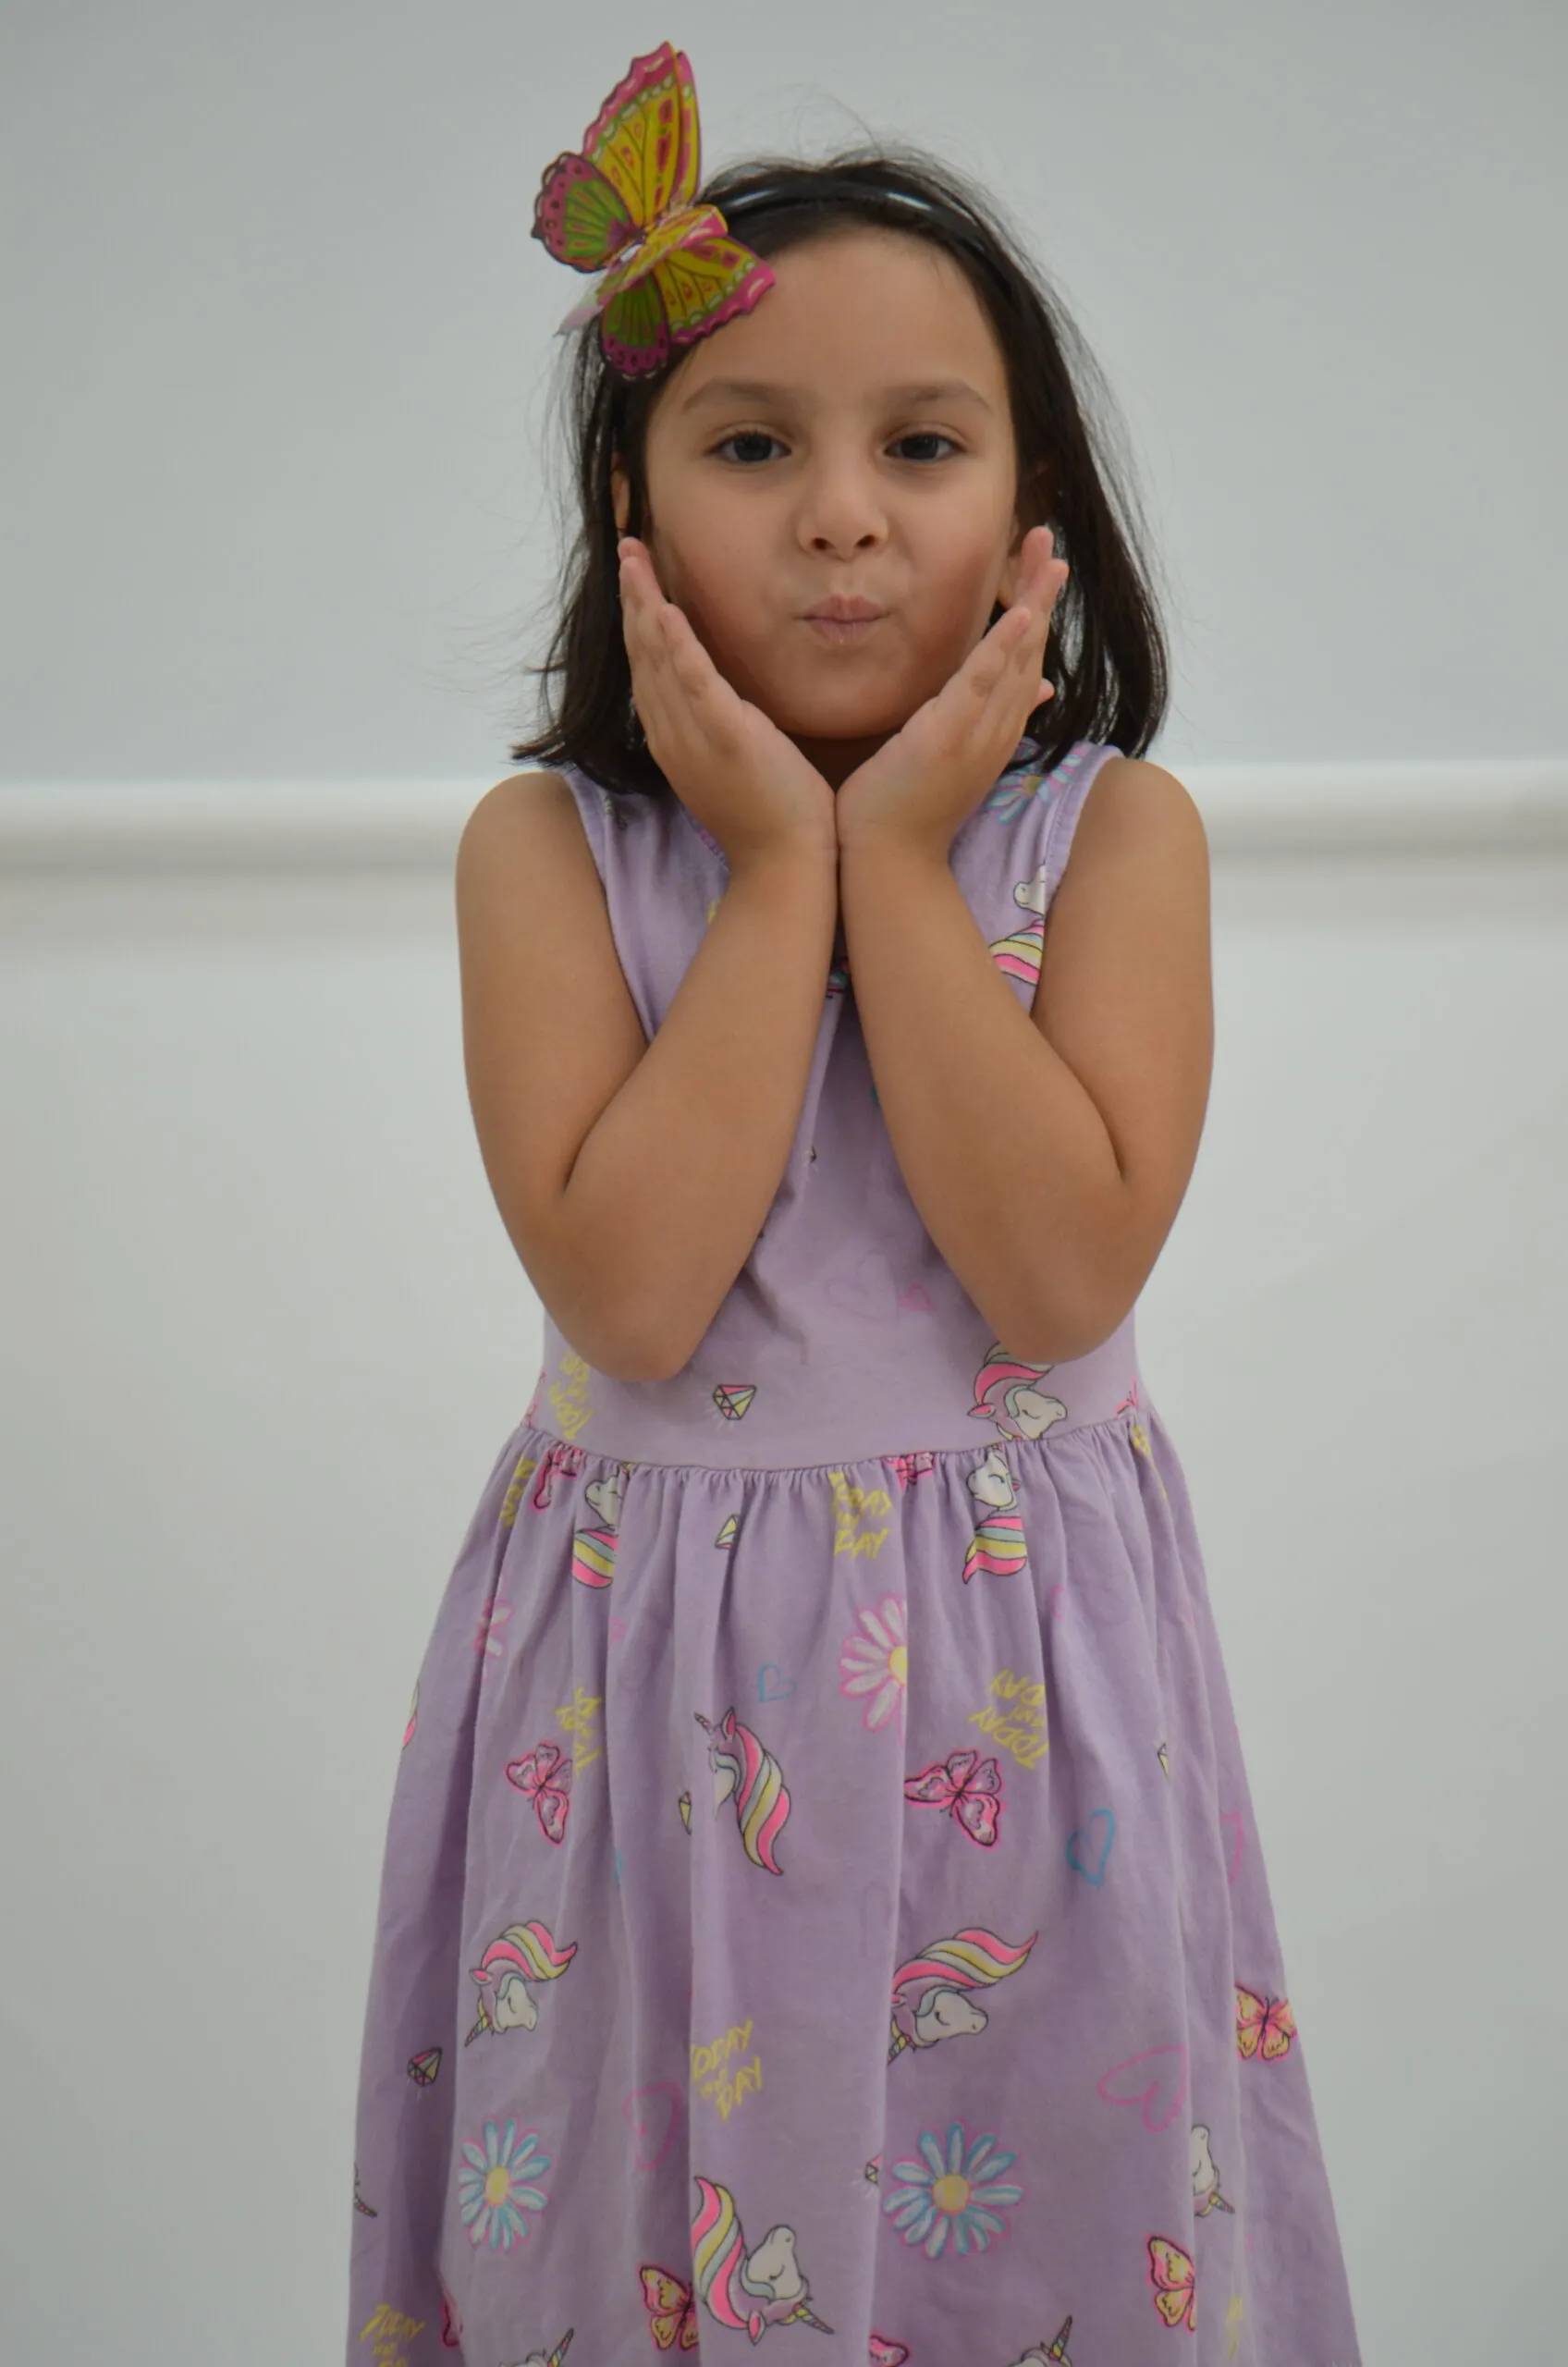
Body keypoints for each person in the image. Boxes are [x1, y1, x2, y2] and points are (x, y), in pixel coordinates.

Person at [346, 43, 1362, 2367]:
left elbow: (1058, 1270)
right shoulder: (547, 857)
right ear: (630, 503)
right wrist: (777, 863)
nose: (836, 517)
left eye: (918, 445)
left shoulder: (1110, 841)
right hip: (649, 1689)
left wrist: (891, 858)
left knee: (1037, 2239)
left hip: (1019, 1692)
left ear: (1032, 511)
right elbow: (630, 1289)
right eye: (748, 447)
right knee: (635, 2239)